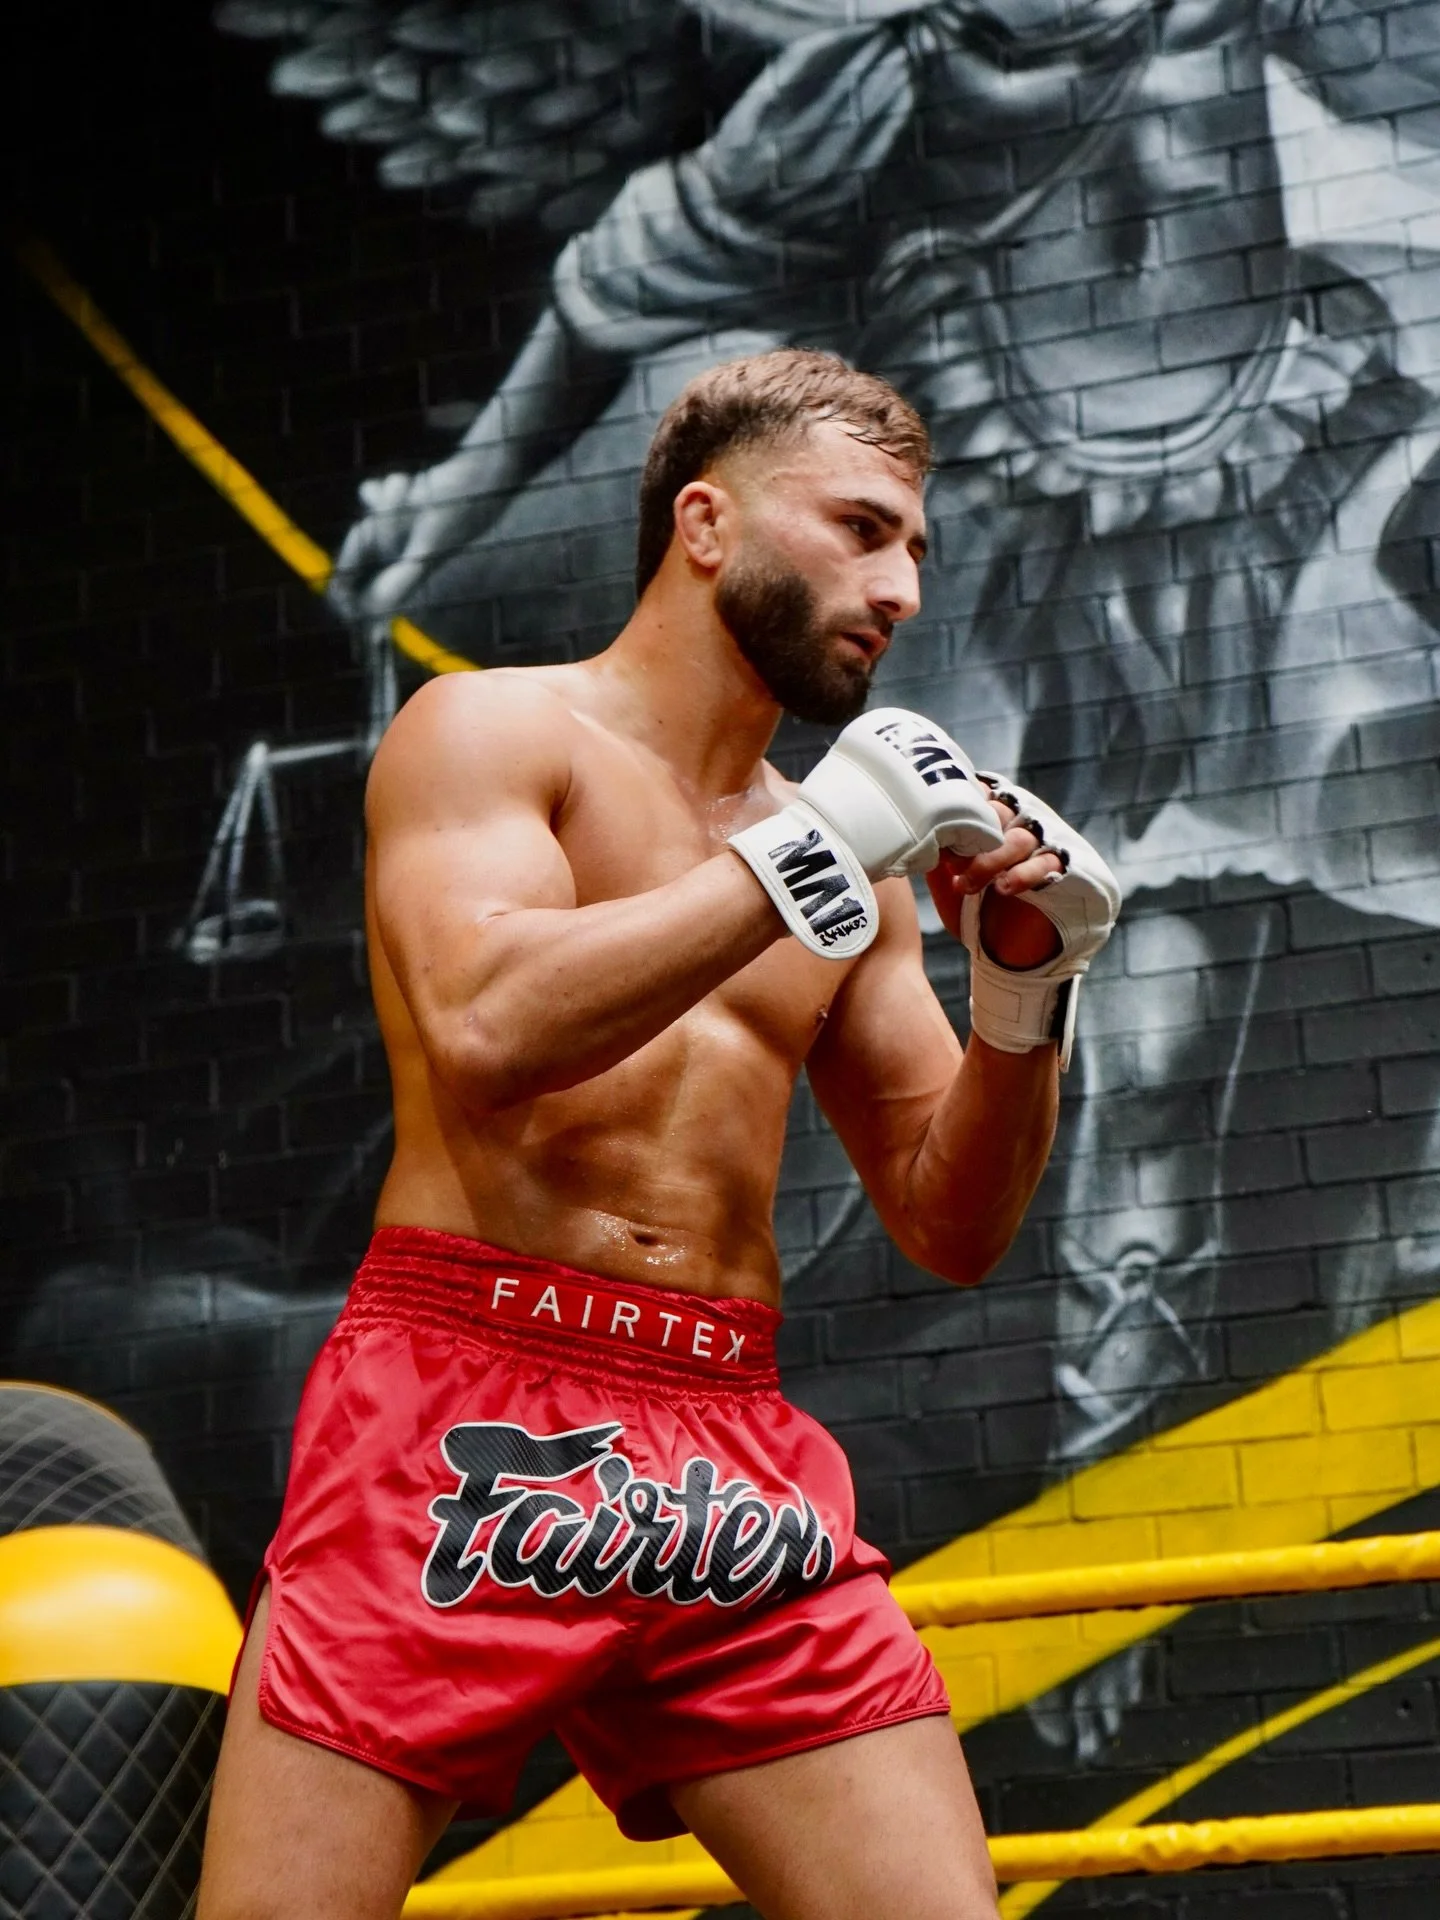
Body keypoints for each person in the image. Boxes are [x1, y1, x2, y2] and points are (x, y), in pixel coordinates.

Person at [196, 349, 1120, 1920]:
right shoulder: (491, 734)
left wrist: (1022, 1001)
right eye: (859, 529)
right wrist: (798, 859)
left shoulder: (861, 872)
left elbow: (945, 1223)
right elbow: (488, 1028)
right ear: (708, 523)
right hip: (457, 1403)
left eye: (916, 549)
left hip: (724, 1447)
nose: (900, 586)